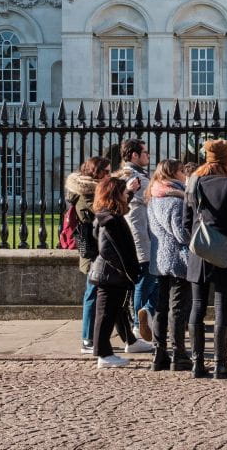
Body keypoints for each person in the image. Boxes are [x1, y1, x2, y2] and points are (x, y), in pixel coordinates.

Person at [183, 139, 227, 379]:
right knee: (222, 308)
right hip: (223, 250)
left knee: (197, 306)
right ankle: (220, 364)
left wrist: (194, 243)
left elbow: (185, 222)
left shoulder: (193, 182)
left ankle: (197, 364)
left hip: (198, 251)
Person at [67, 157, 141, 355]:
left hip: (101, 249)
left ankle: (129, 339)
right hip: (95, 252)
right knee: (94, 295)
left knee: (113, 299)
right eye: (106, 172)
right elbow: (104, 212)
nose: (109, 175)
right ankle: (88, 339)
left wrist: (126, 191)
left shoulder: (95, 189)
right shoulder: (85, 194)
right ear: (95, 173)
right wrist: (127, 192)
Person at [146, 158, 193, 372]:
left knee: (161, 308)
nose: (185, 174)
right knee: (177, 309)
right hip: (177, 259)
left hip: (160, 258)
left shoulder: (154, 196)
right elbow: (181, 234)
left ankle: (159, 352)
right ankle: (179, 353)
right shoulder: (175, 200)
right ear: (174, 174)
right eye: (182, 171)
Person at [91, 176, 142, 368]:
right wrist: (127, 270)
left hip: (112, 274)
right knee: (105, 315)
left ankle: (127, 342)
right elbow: (110, 250)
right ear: (115, 194)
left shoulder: (109, 215)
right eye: (122, 192)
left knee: (116, 312)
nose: (124, 196)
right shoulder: (110, 220)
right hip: (110, 274)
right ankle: (103, 353)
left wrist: (130, 192)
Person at [117, 138, 157, 350]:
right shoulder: (135, 177)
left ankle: (144, 316)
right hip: (141, 237)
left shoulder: (131, 175)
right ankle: (137, 323)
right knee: (147, 279)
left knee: (147, 280)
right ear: (134, 155)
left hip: (139, 235)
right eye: (145, 153)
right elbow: (154, 198)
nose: (148, 156)